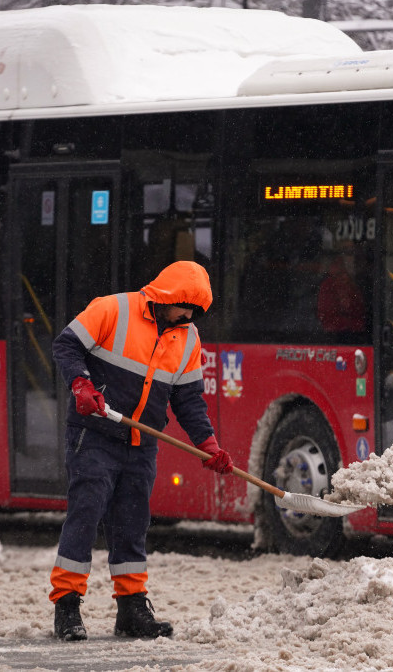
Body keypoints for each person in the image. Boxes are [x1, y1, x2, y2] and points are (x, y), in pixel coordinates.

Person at [49, 260, 234, 642]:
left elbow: (189, 401)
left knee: (132, 524)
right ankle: (67, 605)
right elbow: (67, 346)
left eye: (196, 312)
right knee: (86, 514)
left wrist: (208, 445)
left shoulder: (188, 337)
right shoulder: (112, 309)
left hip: (140, 444)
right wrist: (81, 385)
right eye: (186, 307)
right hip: (94, 434)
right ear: (169, 296)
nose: (189, 316)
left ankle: (131, 608)